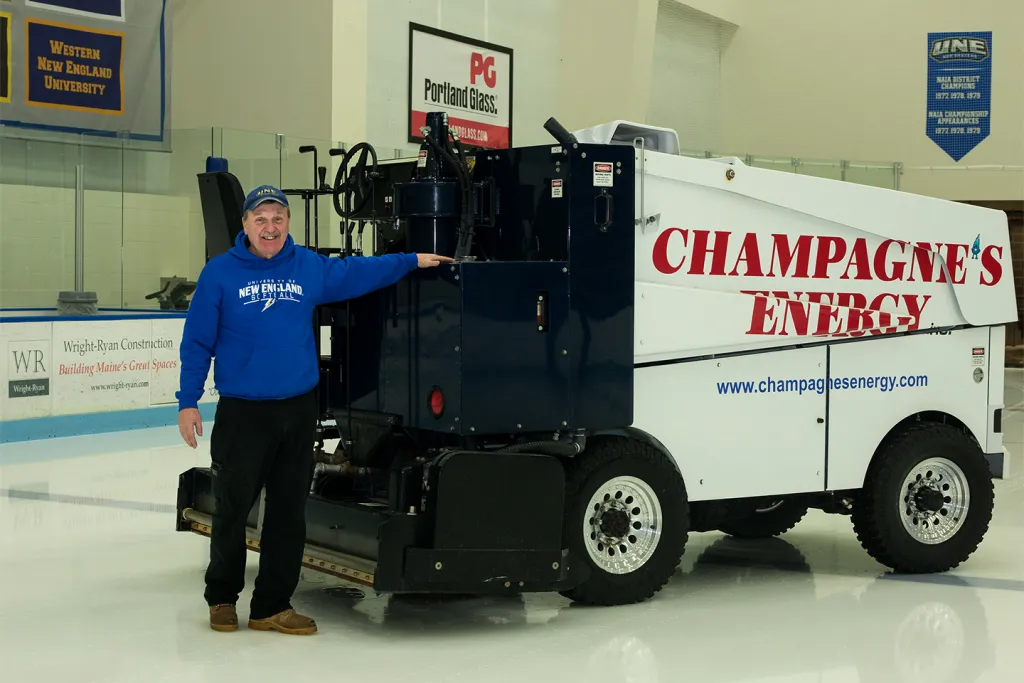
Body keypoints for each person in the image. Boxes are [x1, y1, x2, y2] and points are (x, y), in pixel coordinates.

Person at [176, 184, 452, 635]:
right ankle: (222, 598)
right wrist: (188, 401)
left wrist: (410, 260)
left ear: (288, 224)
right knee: (231, 509)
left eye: (278, 219)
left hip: (297, 410)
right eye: (260, 219)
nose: (270, 228)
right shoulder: (219, 274)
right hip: (243, 413)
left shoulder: (307, 266)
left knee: (288, 512)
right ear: (245, 225)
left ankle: (271, 606)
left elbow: (358, 272)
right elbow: (197, 342)